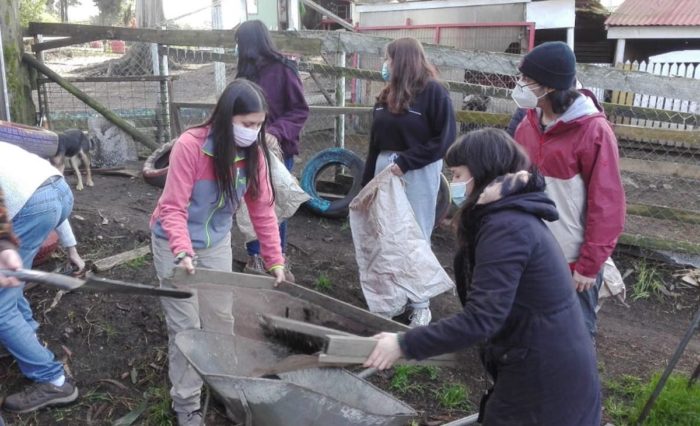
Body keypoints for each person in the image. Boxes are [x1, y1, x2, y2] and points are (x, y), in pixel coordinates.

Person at [364, 129, 601, 425]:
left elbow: (482, 318)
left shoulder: (507, 229)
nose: (454, 184)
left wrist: (404, 344)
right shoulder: (507, 217)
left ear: (482, 172)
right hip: (539, 363)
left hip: (546, 380)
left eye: (458, 174)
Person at [150, 79, 287, 426]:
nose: (253, 131)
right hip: (173, 243)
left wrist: (275, 260)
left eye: (258, 125)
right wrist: (182, 250)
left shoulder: (253, 154)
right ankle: (187, 403)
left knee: (220, 320)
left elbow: (263, 209)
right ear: (227, 118)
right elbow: (173, 208)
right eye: (246, 124)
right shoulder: (191, 146)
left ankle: (228, 390)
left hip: (216, 242)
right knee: (185, 325)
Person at [510, 41, 625, 338]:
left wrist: (589, 265)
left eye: (527, 79)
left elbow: (607, 204)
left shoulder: (593, 131)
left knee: (574, 333)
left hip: (572, 258)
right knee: (530, 324)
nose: (520, 85)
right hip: (533, 249)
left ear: (548, 86)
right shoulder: (528, 124)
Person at [360, 37, 456, 327]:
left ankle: (421, 304)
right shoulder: (385, 96)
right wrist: (366, 184)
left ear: (401, 61)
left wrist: (406, 162)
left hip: (417, 171)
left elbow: (445, 139)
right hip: (385, 169)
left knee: (413, 233)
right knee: (384, 232)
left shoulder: (434, 93)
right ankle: (393, 298)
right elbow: (375, 144)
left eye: (388, 59)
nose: (384, 65)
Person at [0, 141, 82, 413]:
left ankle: (53, 380)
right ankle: (27, 336)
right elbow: (48, 198)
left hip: (31, 203)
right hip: (58, 189)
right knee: (10, 282)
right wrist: (72, 248)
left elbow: (36, 199)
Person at [235, 19, 309, 276]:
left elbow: (300, 110)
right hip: (247, 147)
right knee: (251, 201)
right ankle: (255, 255)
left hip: (277, 148)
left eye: (239, 44)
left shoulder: (283, 69)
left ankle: (277, 256)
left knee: (273, 203)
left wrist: (275, 133)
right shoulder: (245, 73)